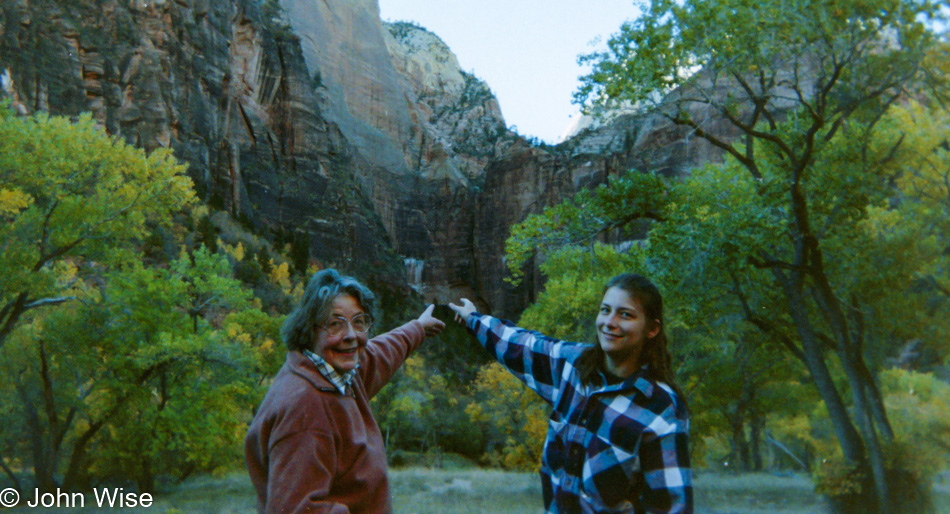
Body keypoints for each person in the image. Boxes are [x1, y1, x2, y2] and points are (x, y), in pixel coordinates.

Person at [449, 273, 692, 513]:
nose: (610, 322)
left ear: (651, 329)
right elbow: (521, 345)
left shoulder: (661, 408)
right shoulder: (573, 366)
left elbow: (671, 506)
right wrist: (472, 318)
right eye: (605, 310)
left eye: (625, 315)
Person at [245, 269, 445, 513]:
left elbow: (378, 354)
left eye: (359, 322)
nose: (350, 336)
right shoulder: (305, 409)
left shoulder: (336, 373)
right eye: (335, 324)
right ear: (310, 329)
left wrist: (418, 328)